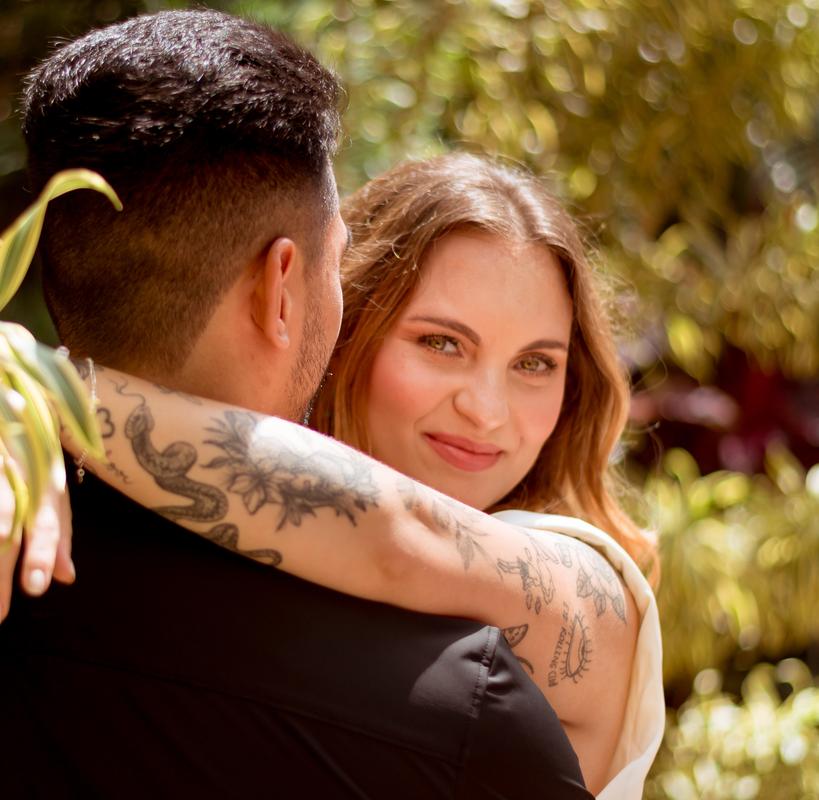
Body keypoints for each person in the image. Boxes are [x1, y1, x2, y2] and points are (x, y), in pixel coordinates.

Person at [0, 11, 594, 799]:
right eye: (335, 265)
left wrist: (0, 383)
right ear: (282, 288)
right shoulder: (463, 714)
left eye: (534, 363)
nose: (485, 408)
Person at [44, 154, 665, 798]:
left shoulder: (594, 592)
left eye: (534, 364)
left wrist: (31, 388)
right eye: (442, 343)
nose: (487, 410)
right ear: (347, 324)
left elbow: (402, 536)